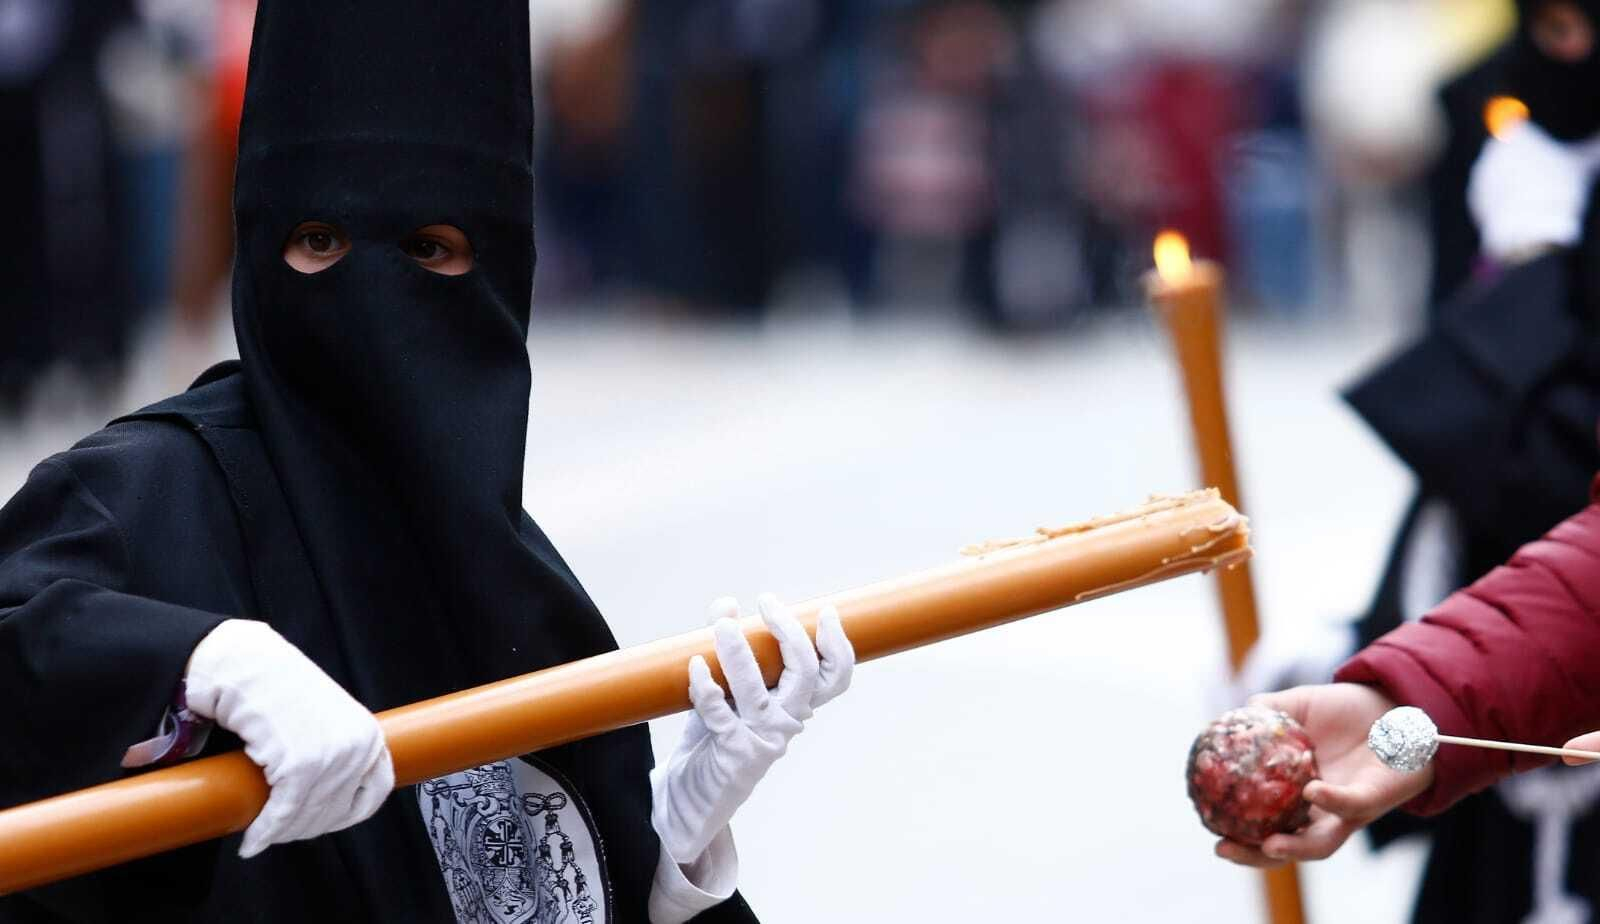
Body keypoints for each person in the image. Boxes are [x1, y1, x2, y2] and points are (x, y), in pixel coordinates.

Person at [0, 1, 853, 921]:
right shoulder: (149, 495)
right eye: (320, 241)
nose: (373, 293)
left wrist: (668, 868)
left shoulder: (525, 591)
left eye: (428, 249)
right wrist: (198, 660)